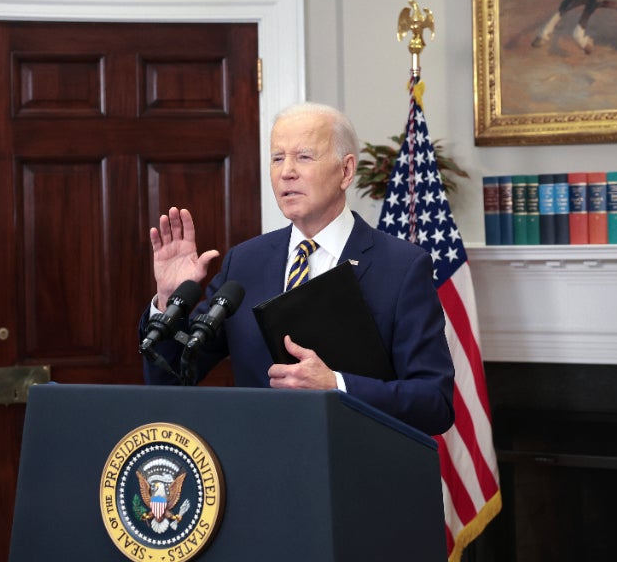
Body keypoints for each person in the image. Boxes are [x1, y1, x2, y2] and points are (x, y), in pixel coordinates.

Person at [139, 102, 455, 436]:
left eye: (304, 157)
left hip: (356, 460)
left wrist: (336, 385)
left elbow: (434, 404)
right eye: (277, 158)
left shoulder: (401, 267)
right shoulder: (244, 262)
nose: (287, 172)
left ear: (346, 171)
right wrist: (169, 301)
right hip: (262, 459)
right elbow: (169, 377)